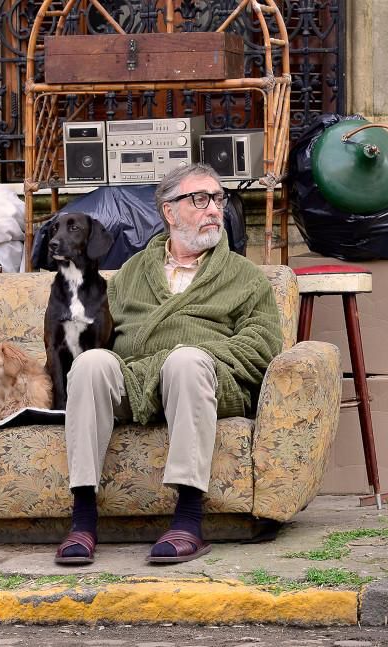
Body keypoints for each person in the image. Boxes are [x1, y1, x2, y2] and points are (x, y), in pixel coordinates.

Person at [54, 163, 284, 565]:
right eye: (200, 199)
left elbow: (263, 346)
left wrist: (194, 357)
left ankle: (189, 520)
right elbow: (105, 333)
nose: (214, 209)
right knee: (90, 364)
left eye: (218, 198)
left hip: (206, 381)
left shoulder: (245, 277)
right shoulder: (132, 272)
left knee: (185, 360)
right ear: (169, 211)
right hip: (139, 379)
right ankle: (83, 520)